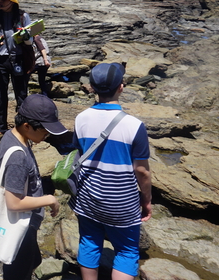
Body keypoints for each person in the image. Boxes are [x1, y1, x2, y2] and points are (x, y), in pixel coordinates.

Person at [73, 63, 152, 280]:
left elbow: (79, 155)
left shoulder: (80, 118)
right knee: (126, 251)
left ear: (92, 88)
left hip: (88, 197)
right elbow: (142, 171)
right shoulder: (135, 125)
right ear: (121, 87)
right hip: (122, 203)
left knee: (89, 242)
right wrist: (146, 199)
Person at [0, 94, 65, 280]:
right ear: (27, 125)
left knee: (33, 261)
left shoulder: (14, 137)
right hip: (20, 227)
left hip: (25, 225)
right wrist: (49, 199)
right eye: (44, 131)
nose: (47, 135)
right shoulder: (18, 157)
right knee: (19, 271)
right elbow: (13, 202)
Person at [0, 0, 33, 145]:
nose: (0, 1)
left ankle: (24, 129)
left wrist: (26, 36)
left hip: (18, 59)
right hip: (0, 61)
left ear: (12, 2)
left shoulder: (23, 16)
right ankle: (1, 129)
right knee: (0, 95)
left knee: (21, 95)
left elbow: (30, 41)